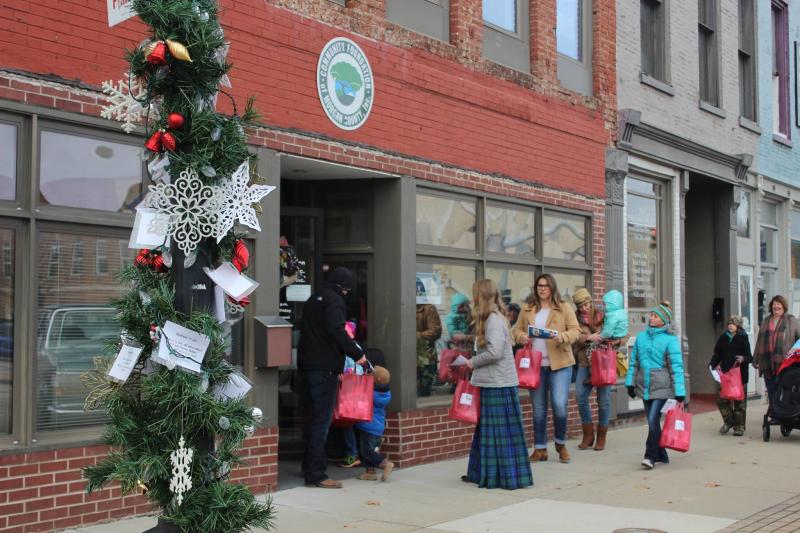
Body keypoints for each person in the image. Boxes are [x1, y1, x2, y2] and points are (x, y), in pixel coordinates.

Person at [297, 267, 366, 489]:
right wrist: (358, 355)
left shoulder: (312, 299)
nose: (346, 295)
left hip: (307, 367)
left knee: (310, 419)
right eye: (346, 291)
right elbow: (338, 331)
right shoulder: (334, 301)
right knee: (321, 422)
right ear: (342, 288)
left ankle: (308, 467)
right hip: (324, 369)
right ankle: (316, 474)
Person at [463, 279, 533, 489]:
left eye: (475, 294)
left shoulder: (493, 320)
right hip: (494, 383)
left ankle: (500, 477)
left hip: (498, 384)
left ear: (480, 296)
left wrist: (471, 362)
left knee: (497, 433)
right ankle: (483, 472)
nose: (472, 298)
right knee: (488, 432)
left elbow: (495, 352)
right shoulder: (491, 318)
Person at [511, 274, 581, 463]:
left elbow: (576, 330)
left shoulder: (564, 307)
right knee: (539, 409)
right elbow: (516, 330)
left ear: (552, 288)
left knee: (559, 405)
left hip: (560, 365)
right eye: (539, 286)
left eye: (546, 286)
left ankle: (560, 443)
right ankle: (540, 449)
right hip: (536, 366)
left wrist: (563, 337)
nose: (542, 289)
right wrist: (522, 337)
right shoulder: (527, 309)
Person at [625, 301, 685, 470]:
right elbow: (634, 362)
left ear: (663, 320)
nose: (651, 317)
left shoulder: (670, 340)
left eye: (655, 315)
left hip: (662, 387)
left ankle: (649, 456)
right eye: (651, 314)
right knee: (654, 421)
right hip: (644, 385)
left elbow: (676, 367)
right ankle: (662, 455)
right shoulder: (641, 337)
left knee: (652, 420)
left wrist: (679, 392)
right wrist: (630, 383)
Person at [572, 288, 609, 451]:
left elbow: (624, 333)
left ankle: (601, 437)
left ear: (591, 302)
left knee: (603, 401)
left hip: (603, 364)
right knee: (580, 396)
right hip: (584, 364)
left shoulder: (604, 314)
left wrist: (614, 341)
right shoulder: (574, 318)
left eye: (586, 304)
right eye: (580, 306)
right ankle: (588, 435)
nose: (584, 309)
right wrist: (588, 337)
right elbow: (573, 337)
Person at [753, 295, 800, 409]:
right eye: (774, 304)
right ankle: (774, 412)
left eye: (779, 304)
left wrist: (795, 355)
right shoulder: (765, 321)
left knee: (784, 389)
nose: (776, 306)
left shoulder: (791, 321)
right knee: (771, 389)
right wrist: (755, 358)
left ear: (783, 306)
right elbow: (760, 341)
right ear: (771, 306)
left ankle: (784, 412)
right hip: (767, 362)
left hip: (786, 363)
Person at [709, 315, 752, 436]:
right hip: (725, 375)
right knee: (721, 399)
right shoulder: (723, 338)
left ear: (738, 326)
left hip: (740, 376)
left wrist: (743, 358)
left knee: (740, 403)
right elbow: (717, 354)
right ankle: (729, 421)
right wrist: (712, 364)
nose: (730, 326)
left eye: (733, 324)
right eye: (729, 324)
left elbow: (750, 357)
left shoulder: (743, 338)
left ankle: (739, 427)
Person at [355, 364, 394, 482]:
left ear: (376, 380)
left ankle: (384, 463)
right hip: (378, 427)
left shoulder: (371, 394)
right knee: (369, 451)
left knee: (366, 452)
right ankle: (370, 473)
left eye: (371, 375)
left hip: (368, 427)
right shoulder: (386, 394)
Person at [416, 303, 442, 396]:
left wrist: (415, 335)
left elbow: (435, 331)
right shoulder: (403, 306)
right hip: (409, 355)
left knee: (424, 390)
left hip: (425, 356)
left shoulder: (429, 309)